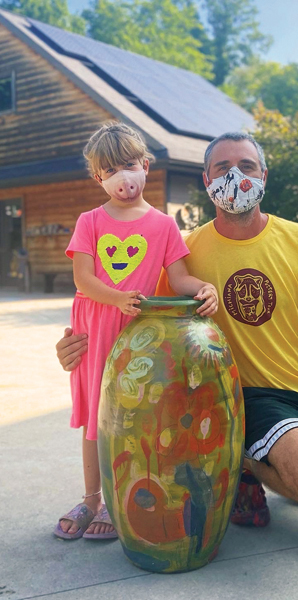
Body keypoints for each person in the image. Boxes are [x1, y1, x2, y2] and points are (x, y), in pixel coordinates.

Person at [56, 131, 298, 562]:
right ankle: (239, 456)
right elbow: (138, 314)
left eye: (246, 166)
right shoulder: (188, 248)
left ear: (265, 175)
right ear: (206, 180)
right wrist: (77, 346)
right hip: (250, 401)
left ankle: (276, 465)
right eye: (222, 168)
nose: (235, 176)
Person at [54, 122, 218, 541]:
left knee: (131, 414)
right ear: (98, 177)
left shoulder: (163, 225)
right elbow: (84, 278)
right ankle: (92, 498)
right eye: (111, 170)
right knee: (95, 415)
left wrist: (202, 288)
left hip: (139, 331)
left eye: (129, 165)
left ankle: (120, 495)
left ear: (145, 165)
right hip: (97, 323)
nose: (122, 177)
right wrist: (115, 298)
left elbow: (178, 277)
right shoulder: (89, 220)